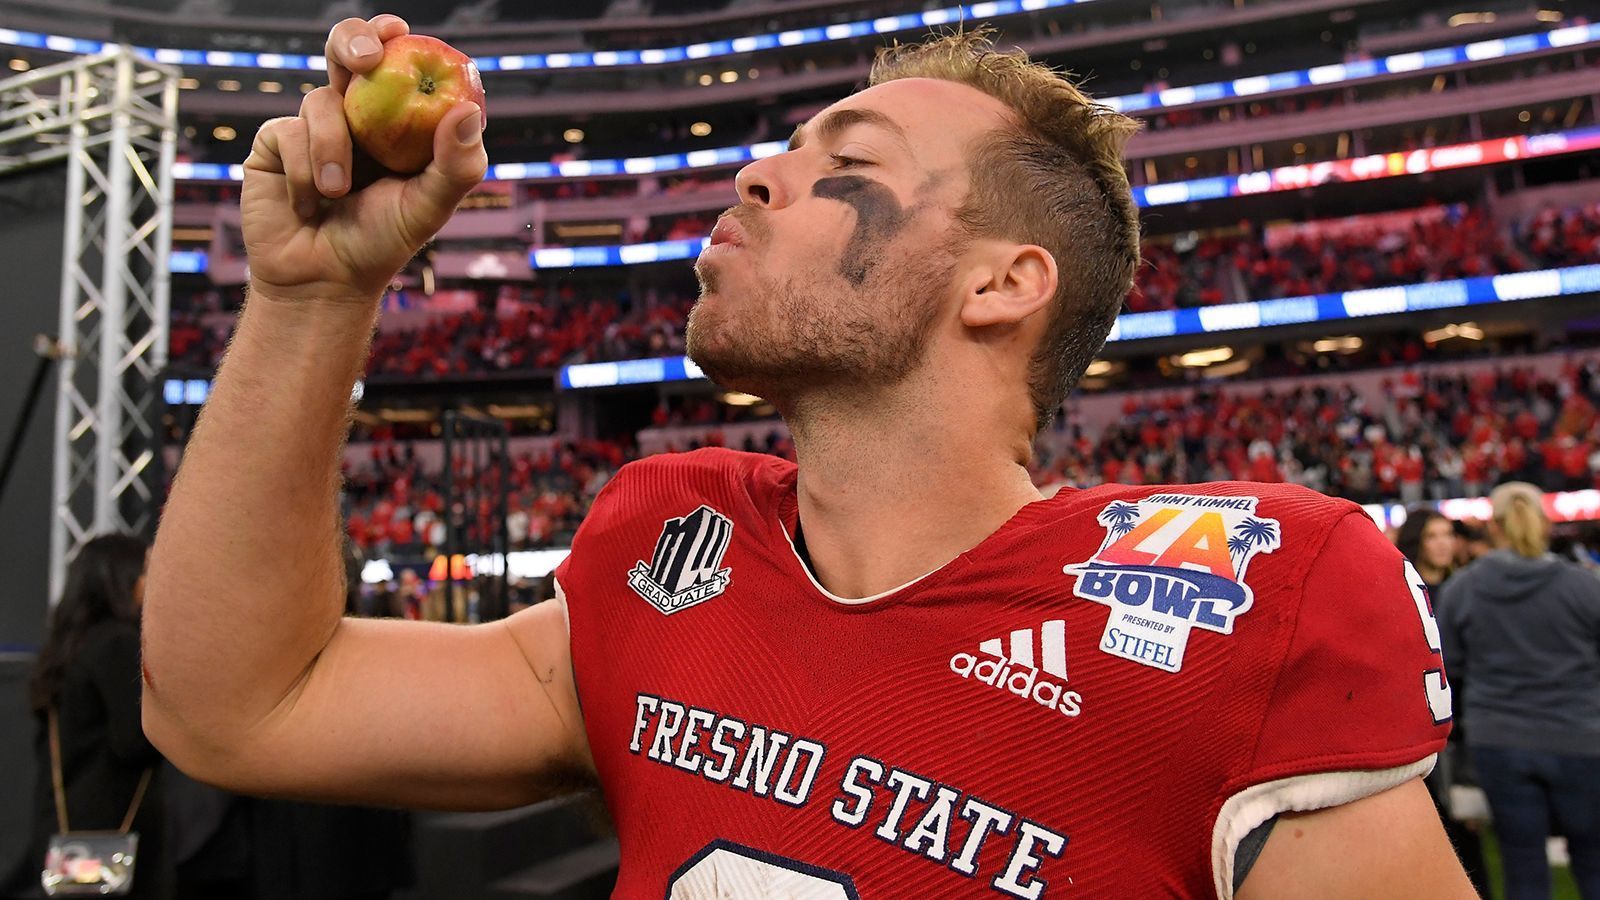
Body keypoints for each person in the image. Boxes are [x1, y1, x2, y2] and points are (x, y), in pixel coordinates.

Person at [141, 15, 1475, 898]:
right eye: (778, 152)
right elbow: (239, 704)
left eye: (847, 161)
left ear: (1004, 283)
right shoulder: (671, 547)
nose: (755, 181)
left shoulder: (1253, 592)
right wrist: (314, 301)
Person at [1439, 482, 1600, 900]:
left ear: (1493, 526)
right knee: (1593, 860)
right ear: (1544, 523)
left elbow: (1448, 668)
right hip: (1579, 738)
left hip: (1500, 741)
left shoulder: (1464, 589)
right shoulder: (1583, 587)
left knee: (1523, 865)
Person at [14, 535, 172, 900]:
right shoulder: (116, 643)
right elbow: (133, 741)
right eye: (146, 571)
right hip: (114, 832)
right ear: (120, 578)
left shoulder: (68, 646)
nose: (155, 583)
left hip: (68, 827)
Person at [1396, 507, 1493, 897]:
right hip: (1425, 720)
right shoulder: (1405, 589)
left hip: (1469, 715)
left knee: (1469, 826)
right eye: (1432, 535)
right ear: (1418, 542)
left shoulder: (1468, 589)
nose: (1442, 543)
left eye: (1446, 535)